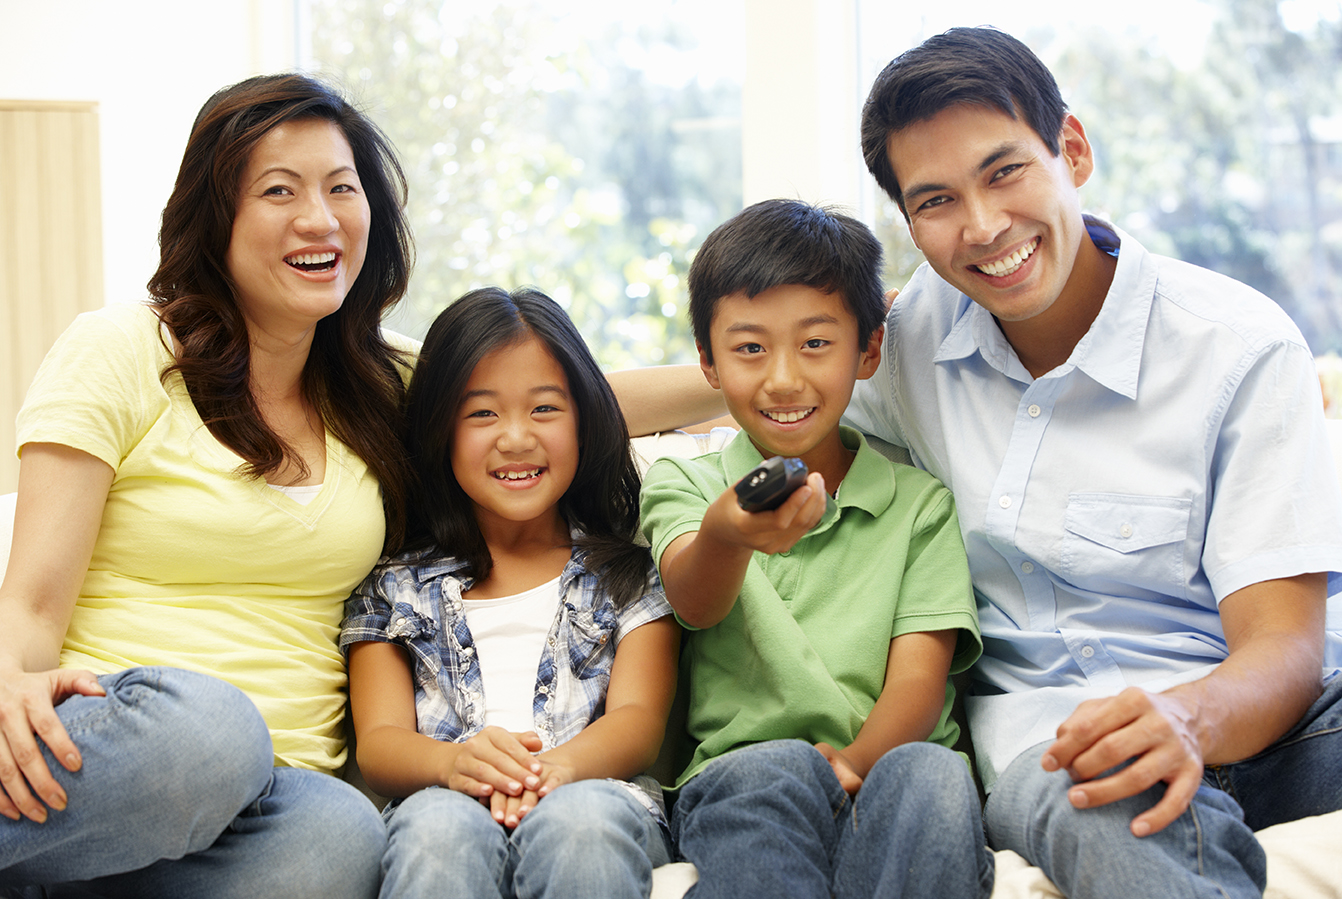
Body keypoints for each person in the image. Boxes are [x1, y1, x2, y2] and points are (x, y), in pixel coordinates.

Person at [847, 25, 1342, 898]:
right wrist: (703, 363)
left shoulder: (1236, 344)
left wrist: (1186, 717)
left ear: (1071, 150)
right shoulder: (908, 339)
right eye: (936, 201)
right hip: (1058, 744)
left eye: (1005, 172)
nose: (984, 226)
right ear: (910, 222)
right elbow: (748, 380)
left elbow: (1284, 647)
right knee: (1102, 793)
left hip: (1264, 718)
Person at [0, 73, 415, 895]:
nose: (321, 217)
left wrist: (732, 376)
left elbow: (561, 397)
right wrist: (8, 687)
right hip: (121, 744)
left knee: (344, 835)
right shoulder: (122, 348)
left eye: (342, 188)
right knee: (213, 733)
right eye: (279, 190)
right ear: (215, 214)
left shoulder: (387, 382)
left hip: (273, 800)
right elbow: (33, 604)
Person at [639, 199, 994, 899]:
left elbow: (920, 682)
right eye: (749, 348)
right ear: (708, 363)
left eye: (814, 344)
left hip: (892, 757)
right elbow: (694, 599)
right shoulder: (687, 480)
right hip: (747, 767)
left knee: (935, 774)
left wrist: (856, 762)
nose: (782, 378)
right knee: (763, 774)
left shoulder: (919, 504)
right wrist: (727, 534)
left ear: (867, 351)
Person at [342, 287, 679, 899]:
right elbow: (381, 744)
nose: (516, 437)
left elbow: (638, 723)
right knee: (438, 831)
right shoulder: (393, 583)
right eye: (482, 414)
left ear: (586, 420)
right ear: (439, 429)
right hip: (443, 801)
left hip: (593, 796)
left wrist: (553, 772)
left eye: (545, 409)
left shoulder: (629, 573)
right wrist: (454, 765)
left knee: (581, 825)